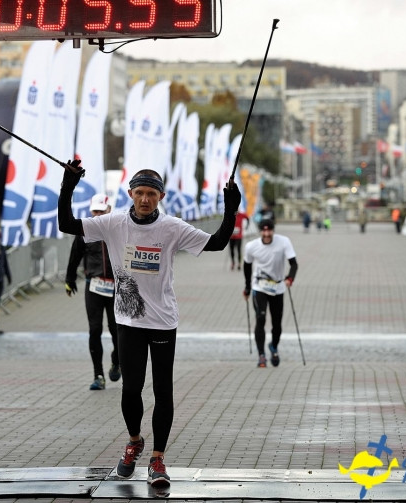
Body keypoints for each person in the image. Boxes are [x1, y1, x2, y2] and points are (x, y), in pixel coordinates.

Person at [58, 162, 240, 487]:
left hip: (162, 322)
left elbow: (218, 242)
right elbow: (67, 223)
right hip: (129, 320)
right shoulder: (112, 223)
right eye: (139, 193)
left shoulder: (172, 228)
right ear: (130, 194)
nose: (145, 199)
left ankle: (157, 459)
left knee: (162, 390)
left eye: (151, 194)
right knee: (130, 389)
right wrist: (68, 184)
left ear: (160, 197)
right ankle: (134, 441)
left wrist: (231, 208)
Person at [65, 193, 120, 390]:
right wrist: (69, 280)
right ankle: (98, 375)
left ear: (109, 210)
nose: (97, 216)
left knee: (117, 330)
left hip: (116, 287)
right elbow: (75, 256)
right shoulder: (85, 231)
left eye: (101, 211)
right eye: (94, 211)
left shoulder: (118, 230)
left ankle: (117, 360)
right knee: (95, 330)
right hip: (94, 286)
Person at [243, 219, 297, 368]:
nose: (267, 234)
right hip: (259, 286)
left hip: (278, 286)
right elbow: (247, 267)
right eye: (264, 231)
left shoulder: (284, 242)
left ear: (273, 230)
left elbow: (294, 263)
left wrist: (290, 278)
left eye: (269, 231)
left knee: (277, 323)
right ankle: (261, 355)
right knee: (260, 318)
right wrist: (247, 288)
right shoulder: (251, 246)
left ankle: (273, 346)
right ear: (260, 231)